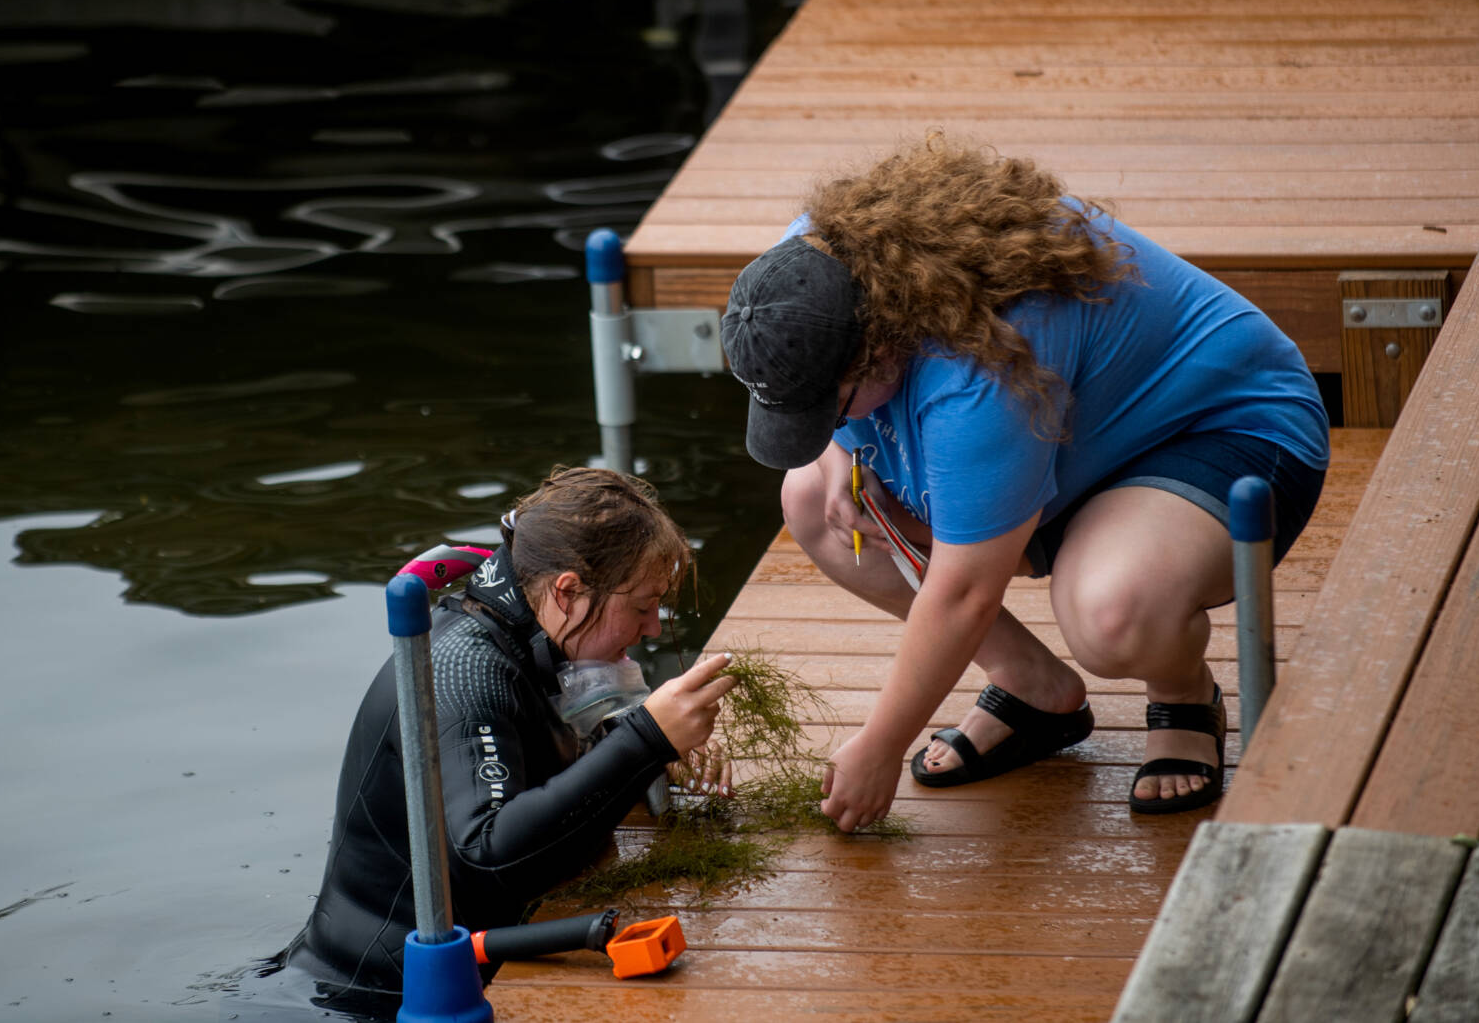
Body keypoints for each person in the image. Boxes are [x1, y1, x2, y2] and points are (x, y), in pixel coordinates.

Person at [718, 136, 1329, 833]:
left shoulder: (981, 378)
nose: (827, 425)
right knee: (809, 499)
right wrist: (834, 453)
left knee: (1110, 614)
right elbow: (839, 431)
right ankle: (1034, 691)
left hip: (1222, 432)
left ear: (881, 346)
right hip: (1072, 439)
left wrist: (879, 745)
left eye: (831, 407)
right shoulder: (808, 267)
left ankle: (1185, 695)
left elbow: (964, 592)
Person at [239, 466, 737, 1019]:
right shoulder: (464, 670)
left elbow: (560, 752)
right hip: (369, 996)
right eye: (642, 606)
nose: (651, 629)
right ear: (566, 591)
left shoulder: (536, 635)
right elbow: (492, 858)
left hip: (477, 955)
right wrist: (646, 739)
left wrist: (651, 750)